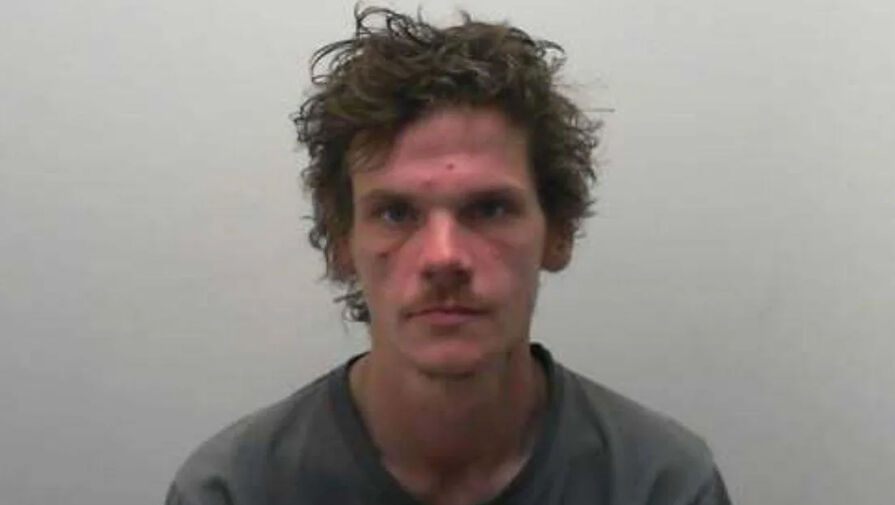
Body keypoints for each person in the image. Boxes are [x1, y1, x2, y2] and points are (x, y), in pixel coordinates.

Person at [166, 6, 732, 505]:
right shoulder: (233, 491)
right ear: (341, 243)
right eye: (396, 213)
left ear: (557, 232)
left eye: (489, 209)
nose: (444, 257)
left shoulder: (661, 486)